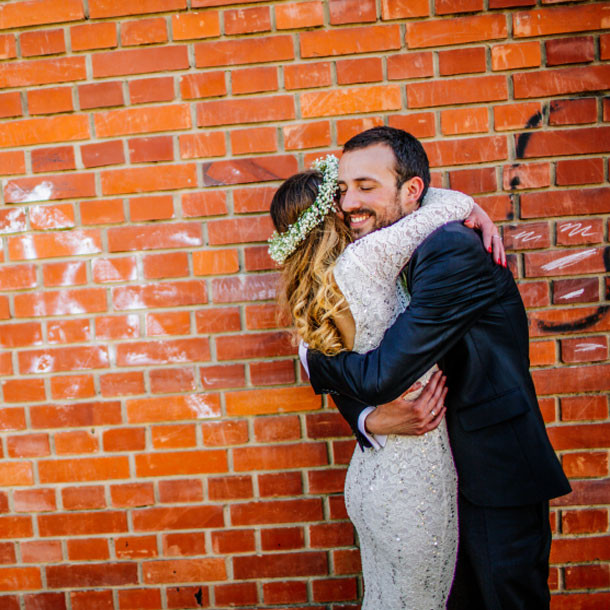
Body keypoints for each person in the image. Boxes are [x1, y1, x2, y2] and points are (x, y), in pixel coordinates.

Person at [303, 127, 572, 610]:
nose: (348, 203)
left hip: (490, 475)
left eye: (367, 187)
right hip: (433, 477)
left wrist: (314, 362)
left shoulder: (451, 250)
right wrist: (366, 417)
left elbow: (384, 374)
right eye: (343, 189)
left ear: (412, 193)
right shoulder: (393, 243)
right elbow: (370, 366)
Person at [269, 140, 502, 608]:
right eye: (343, 196)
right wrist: (476, 207)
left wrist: (367, 419)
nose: (353, 204)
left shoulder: (316, 289)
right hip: (411, 482)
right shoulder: (366, 260)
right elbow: (446, 205)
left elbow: (313, 357)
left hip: (368, 475)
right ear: (333, 214)